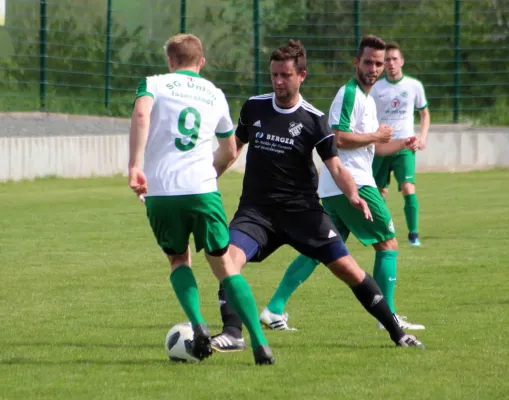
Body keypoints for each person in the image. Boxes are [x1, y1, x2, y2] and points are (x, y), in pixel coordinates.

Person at [209, 39, 424, 353]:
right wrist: (202, 180)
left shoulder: (313, 120)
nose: (279, 81)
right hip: (257, 211)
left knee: (348, 269)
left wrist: (353, 194)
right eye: (274, 75)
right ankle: (232, 333)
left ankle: (396, 332)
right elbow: (231, 152)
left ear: (302, 76)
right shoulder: (254, 106)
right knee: (226, 260)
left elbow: (335, 166)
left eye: (285, 75)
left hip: (303, 213)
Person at [127, 33, 273, 365]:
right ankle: (260, 343)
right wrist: (211, 173)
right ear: (201, 61)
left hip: (162, 191)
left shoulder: (154, 83)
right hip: (203, 189)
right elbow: (230, 151)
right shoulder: (215, 94)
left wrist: (136, 165)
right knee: (224, 267)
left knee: (179, 260)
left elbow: (140, 116)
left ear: (170, 61)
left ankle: (197, 324)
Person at [370, 42, 430, 247]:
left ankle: (413, 234)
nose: (391, 63)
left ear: (402, 61)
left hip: (406, 145)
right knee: (380, 192)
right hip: (382, 146)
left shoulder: (414, 86)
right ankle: (383, 232)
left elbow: (424, 113)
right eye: (387, 59)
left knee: (407, 187)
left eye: (394, 59)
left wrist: (422, 138)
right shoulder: (376, 88)